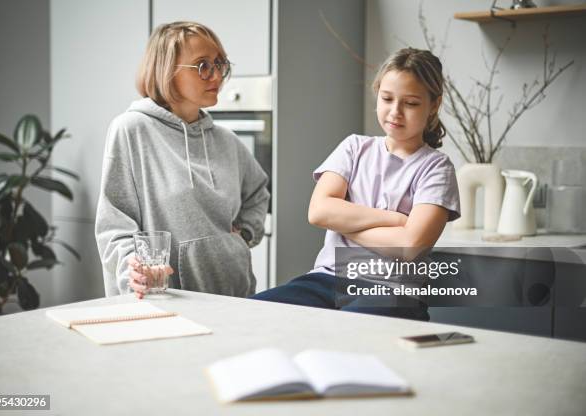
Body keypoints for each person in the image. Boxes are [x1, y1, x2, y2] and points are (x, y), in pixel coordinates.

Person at [251, 47, 460, 320]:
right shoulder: (353, 147)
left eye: (410, 103)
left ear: (434, 104)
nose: (395, 112)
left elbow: (410, 247)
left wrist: (345, 224)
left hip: (393, 290)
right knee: (252, 312)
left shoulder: (436, 168)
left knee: (347, 328)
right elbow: (318, 212)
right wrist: (395, 220)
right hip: (327, 280)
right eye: (387, 98)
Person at [95, 22, 269, 299]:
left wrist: (245, 235)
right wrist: (135, 272)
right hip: (160, 297)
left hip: (235, 295)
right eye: (203, 66)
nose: (217, 76)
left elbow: (259, 194)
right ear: (167, 70)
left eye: (220, 64)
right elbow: (114, 224)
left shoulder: (227, 140)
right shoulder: (131, 130)